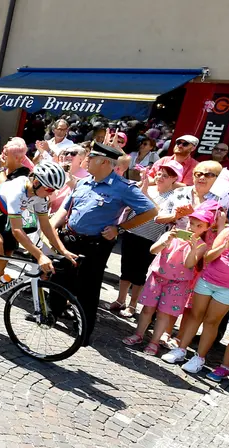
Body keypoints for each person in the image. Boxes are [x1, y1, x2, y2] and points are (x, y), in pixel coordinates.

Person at [50, 142, 158, 345]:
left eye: (92, 158)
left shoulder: (122, 187)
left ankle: (83, 331)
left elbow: (151, 211)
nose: (87, 161)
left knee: (87, 290)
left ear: (105, 162)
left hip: (94, 245)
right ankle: (51, 315)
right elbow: (66, 208)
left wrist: (121, 228)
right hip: (69, 239)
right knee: (59, 279)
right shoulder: (83, 182)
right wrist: (53, 227)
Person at [0, 161, 76, 297]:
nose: (52, 193)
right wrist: (39, 256)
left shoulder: (40, 197)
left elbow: (46, 226)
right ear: (37, 182)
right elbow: (17, 230)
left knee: (0, 255)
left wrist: (63, 250)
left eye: (55, 190)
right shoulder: (17, 191)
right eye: (50, 189)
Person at [122, 204, 211, 356]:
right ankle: (138, 334)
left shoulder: (201, 246)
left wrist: (193, 249)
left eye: (199, 225)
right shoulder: (173, 233)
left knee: (164, 314)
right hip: (157, 277)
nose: (193, 228)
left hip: (178, 283)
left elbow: (189, 264)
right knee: (148, 309)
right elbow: (152, 250)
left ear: (205, 229)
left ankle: (154, 342)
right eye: (191, 223)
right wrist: (166, 240)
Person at [161, 201, 229, 372]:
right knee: (195, 315)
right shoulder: (228, 231)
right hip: (207, 281)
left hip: (228, 289)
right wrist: (223, 247)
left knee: (211, 322)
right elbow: (207, 258)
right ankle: (181, 349)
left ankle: (199, 358)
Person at [110, 161, 183, 318]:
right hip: (131, 233)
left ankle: (132, 305)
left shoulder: (175, 196)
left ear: (174, 179)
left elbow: (163, 217)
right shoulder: (147, 188)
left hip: (151, 239)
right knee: (125, 268)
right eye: (158, 173)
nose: (160, 177)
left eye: (165, 175)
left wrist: (146, 196)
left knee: (140, 273)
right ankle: (120, 299)